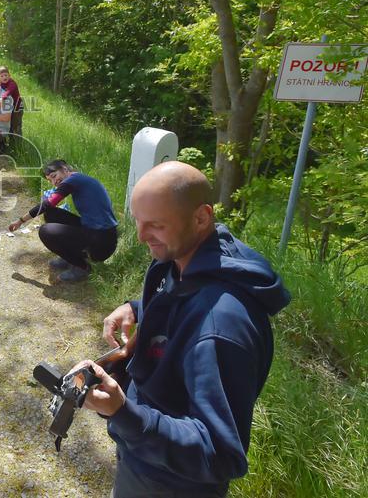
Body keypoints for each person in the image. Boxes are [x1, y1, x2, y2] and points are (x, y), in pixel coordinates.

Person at [73, 161, 290, 497]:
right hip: (145, 454)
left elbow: (219, 453)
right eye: (138, 222)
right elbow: (183, 299)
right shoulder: (192, 257)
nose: (142, 237)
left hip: (170, 484)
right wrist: (138, 307)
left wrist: (124, 413)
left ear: (201, 217)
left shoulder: (221, 326)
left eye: (155, 225)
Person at [8, 160, 118, 282]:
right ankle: (69, 258)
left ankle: (82, 267)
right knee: (52, 214)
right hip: (101, 235)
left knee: (45, 231)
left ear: (65, 169)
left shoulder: (72, 180)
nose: (54, 182)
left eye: (54, 176)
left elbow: (48, 203)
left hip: (102, 243)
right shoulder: (79, 179)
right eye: (50, 180)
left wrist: (21, 221)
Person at [0, 66, 23, 143]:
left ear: (9, 75)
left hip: (17, 108)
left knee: (16, 126)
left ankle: (18, 144)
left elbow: (8, 91)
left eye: (6, 75)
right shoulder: (0, 83)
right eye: (2, 76)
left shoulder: (12, 83)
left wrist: (2, 98)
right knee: (9, 125)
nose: (4, 77)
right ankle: (10, 142)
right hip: (9, 108)